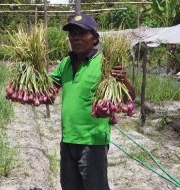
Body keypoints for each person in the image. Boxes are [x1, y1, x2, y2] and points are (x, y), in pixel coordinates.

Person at [51, 13, 135, 190]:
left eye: (82, 33)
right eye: (72, 33)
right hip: (67, 139)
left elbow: (130, 97)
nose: (76, 38)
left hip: (92, 141)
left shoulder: (106, 63)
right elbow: (50, 88)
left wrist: (124, 80)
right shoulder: (65, 63)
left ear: (95, 39)